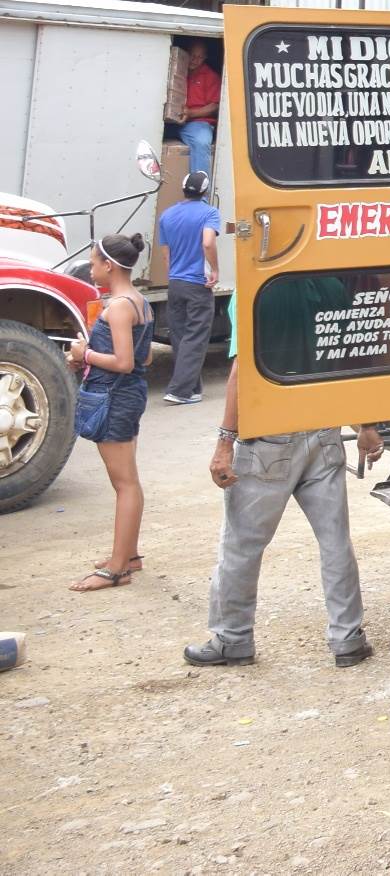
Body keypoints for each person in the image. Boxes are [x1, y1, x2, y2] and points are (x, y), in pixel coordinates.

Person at [185, 324, 381, 668]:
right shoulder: (331, 286)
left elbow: (240, 371)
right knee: (335, 541)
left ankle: (233, 639)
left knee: (241, 545)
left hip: (268, 437)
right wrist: (366, 423)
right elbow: (350, 356)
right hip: (324, 430)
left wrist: (224, 444)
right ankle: (347, 639)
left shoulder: (254, 283)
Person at [65, 233, 153, 591]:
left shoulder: (118, 306)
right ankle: (128, 555)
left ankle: (117, 568)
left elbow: (124, 361)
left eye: (93, 261)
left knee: (124, 483)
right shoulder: (140, 302)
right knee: (129, 478)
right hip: (129, 395)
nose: (90, 268)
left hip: (114, 395)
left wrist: (83, 353)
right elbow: (145, 357)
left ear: (109, 266)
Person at [157, 169, 222, 405]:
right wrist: (214, 270)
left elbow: (166, 254)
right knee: (195, 338)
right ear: (205, 191)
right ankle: (180, 391)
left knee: (181, 336)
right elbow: (208, 242)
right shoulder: (209, 213)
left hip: (175, 282)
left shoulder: (167, 215)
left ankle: (193, 389)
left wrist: (174, 276)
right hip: (197, 284)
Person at [178, 41, 222, 180]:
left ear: (205, 58)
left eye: (199, 57)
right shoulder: (176, 69)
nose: (195, 60)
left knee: (202, 142)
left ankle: (199, 195)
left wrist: (190, 113)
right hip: (171, 122)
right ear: (185, 53)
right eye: (192, 55)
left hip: (197, 123)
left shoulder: (210, 76)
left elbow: (214, 106)